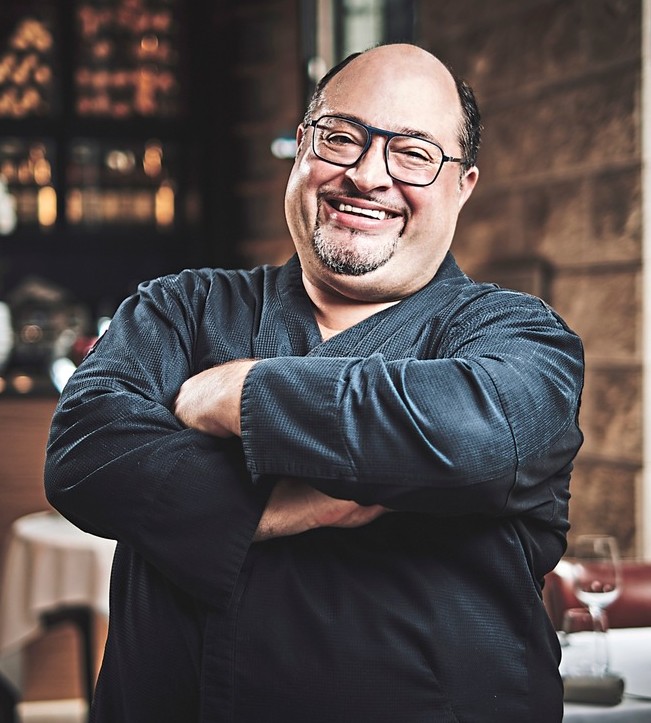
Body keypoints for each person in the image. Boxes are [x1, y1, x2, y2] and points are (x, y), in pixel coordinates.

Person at [44, 43, 584, 722]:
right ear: (302, 146)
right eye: (341, 137)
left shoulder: (522, 337)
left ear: (462, 185)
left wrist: (242, 395)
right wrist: (284, 506)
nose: (367, 174)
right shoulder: (180, 307)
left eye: (413, 153)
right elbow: (83, 453)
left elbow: (476, 435)